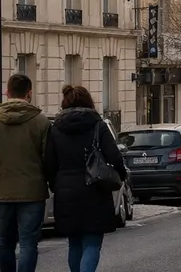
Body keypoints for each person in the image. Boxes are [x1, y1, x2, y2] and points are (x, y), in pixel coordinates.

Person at [0, 73, 52, 272]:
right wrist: (47, 181)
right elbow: (49, 159)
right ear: (29, 93)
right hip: (32, 192)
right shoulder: (41, 122)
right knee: (28, 243)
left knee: (5, 242)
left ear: (7, 92)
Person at [43, 85, 128, 272]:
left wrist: (55, 184)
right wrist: (121, 174)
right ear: (89, 102)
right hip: (94, 188)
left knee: (74, 243)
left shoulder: (55, 128)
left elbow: (49, 162)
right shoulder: (98, 125)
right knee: (91, 242)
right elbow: (114, 156)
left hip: (66, 191)